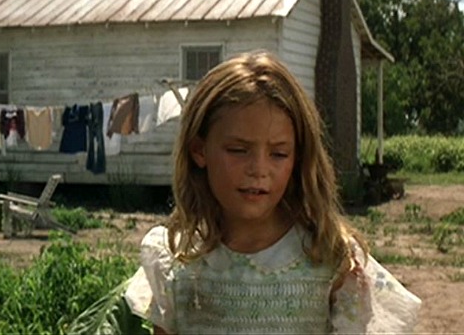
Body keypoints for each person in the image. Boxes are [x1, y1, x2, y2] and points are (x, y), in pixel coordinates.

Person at [123, 51, 421, 334]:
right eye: (238, 150)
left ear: (298, 158)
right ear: (200, 150)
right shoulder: (173, 257)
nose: (259, 169)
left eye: (278, 154)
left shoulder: (331, 257)